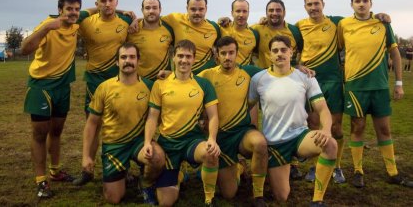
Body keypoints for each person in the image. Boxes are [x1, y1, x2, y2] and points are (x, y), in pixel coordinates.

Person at [249, 35, 337, 207]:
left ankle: (317, 201)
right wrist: (253, 129)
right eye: (275, 50)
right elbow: (249, 106)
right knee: (282, 197)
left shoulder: (306, 77)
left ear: (291, 52)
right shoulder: (258, 79)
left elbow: (323, 109)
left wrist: (326, 130)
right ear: (269, 55)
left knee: (330, 144)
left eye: (283, 50)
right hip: (274, 143)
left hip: (299, 137)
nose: (279, 54)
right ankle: (272, 169)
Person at [337, 0, 413, 188]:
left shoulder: (383, 23)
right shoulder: (343, 24)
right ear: (351, 4)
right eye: (357, 1)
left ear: (371, 3)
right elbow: (336, 49)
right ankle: (358, 171)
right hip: (355, 86)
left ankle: (393, 172)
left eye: (365, 0)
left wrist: (398, 83)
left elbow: (395, 54)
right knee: (358, 127)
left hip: (379, 86)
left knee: (384, 130)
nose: (361, 4)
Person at [81, 42, 165, 204]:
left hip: (139, 142)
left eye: (132, 57)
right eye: (124, 57)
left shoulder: (149, 86)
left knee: (157, 157)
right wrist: (86, 156)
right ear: (117, 62)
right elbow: (91, 124)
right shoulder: (104, 88)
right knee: (114, 198)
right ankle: (121, 171)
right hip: (114, 146)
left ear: (138, 61)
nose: (128, 61)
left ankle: (145, 183)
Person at [21, 0, 86, 198]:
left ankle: (56, 171)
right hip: (41, 86)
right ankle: (41, 181)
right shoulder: (49, 24)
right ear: (60, 10)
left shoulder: (77, 22)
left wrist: (126, 11)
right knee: (40, 134)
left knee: (57, 131)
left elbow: (96, 10)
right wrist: (47, 27)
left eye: (76, 9)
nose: (73, 13)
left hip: (63, 86)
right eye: (69, 9)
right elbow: (24, 49)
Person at [143, 39, 220, 207]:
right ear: (173, 58)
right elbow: (152, 117)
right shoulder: (160, 84)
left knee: (211, 153)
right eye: (180, 56)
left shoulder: (203, 84)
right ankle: (176, 176)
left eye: (188, 56)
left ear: (194, 59)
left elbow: (213, 116)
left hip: (192, 141)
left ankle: (209, 199)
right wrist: (148, 142)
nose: (184, 60)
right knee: (166, 202)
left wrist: (212, 139)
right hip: (169, 144)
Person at [74, 0, 135, 185]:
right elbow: (75, 14)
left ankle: (122, 168)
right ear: (96, 4)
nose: (107, 4)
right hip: (94, 79)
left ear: (116, 1)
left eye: (111, 0)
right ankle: (87, 169)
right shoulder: (86, 22)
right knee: (93, 124)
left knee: (120, 124)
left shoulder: (126, 21)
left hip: (119, 80)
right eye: (103, 1)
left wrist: (132, 16)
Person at [198, 36, 267, 207]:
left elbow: (276, 70)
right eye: (223, 53)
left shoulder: (249, 72)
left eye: (231, 53)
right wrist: (170, 74)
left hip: (242, 132)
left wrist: (299, 68)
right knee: (229, 194)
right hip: (220, 138)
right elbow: (185, 81)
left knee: (260, 143)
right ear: (217, 56)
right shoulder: (206, 76)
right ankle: (239, 167)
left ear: (237, 54)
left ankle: (258, 195)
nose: (227, 57)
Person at [296, 0, 346, 183]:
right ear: (305, 7)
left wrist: (380, 17)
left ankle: (337, 167)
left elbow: (359, 21)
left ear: (323, 4)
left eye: (316, 4)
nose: (313, 8)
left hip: (333, 81)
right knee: (314, 125)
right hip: (310, 81)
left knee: (336, 127)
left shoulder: (337, 22)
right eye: (309, 4)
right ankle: (314, 165)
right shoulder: (299, 26)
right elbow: (284, 37)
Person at [161, 0, 221, 74]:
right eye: (193, 9)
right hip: (182, 78)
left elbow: (222, 48)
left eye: (201, 9)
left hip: (206, 79)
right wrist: (137, 21)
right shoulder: (175, 19)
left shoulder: (214, 27)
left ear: (206, 9)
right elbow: (152, 19)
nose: (197, 12)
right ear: (187, 8)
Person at [127, 0, 174, 81]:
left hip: (163, 80)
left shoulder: (169, 29)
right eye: (147, 8)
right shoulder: (132, 30)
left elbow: (180, 53)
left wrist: (172, 73)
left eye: (154, 8)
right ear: (142, 10)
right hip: (139, 82)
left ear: (160, 9)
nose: (151, 11)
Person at [253, 0, 303, 68]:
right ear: (266, 13)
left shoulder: (294, 31)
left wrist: (298, 66)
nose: (274, 13)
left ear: (284, 12)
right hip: (264, 75)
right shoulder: (257, 29)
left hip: (288, 75)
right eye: (271, 10)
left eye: (278, 10)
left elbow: (303, 51)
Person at [219, 0, 259, 65]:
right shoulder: (221, 28)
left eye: (244, 11)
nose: (241, 15)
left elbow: (257, 55)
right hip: (224, 73)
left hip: (244, 73)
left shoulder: (255, 34)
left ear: (248, 13)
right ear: (232, 13)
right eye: (238, 11)